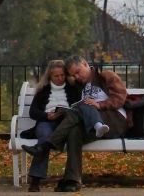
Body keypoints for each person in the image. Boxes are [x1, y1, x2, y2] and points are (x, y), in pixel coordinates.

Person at [21, 56, 129, 193]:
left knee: (79, 108)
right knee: (74, 131)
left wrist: (99, 104)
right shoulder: (79, 85)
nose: (76, 76)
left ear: (85, 63)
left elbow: (120, 98)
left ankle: (45, 145)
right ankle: (72, 180)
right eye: (73, 75)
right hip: (94, 126)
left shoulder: (105, 76)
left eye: (78, 72)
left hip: (114, 120)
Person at [22, 59, 81, 192]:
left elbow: (79, 108)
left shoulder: (73, 88)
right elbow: (33, 112)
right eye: (56, 76)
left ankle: (37, 176)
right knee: (44, 135)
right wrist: (47, 116)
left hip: (67, 122)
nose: (60, 78)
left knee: (45, 142)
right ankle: (35, 182)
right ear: (50, 76)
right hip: (47, 121)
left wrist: (64, 112)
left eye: (62, 75)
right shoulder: (43, 90)